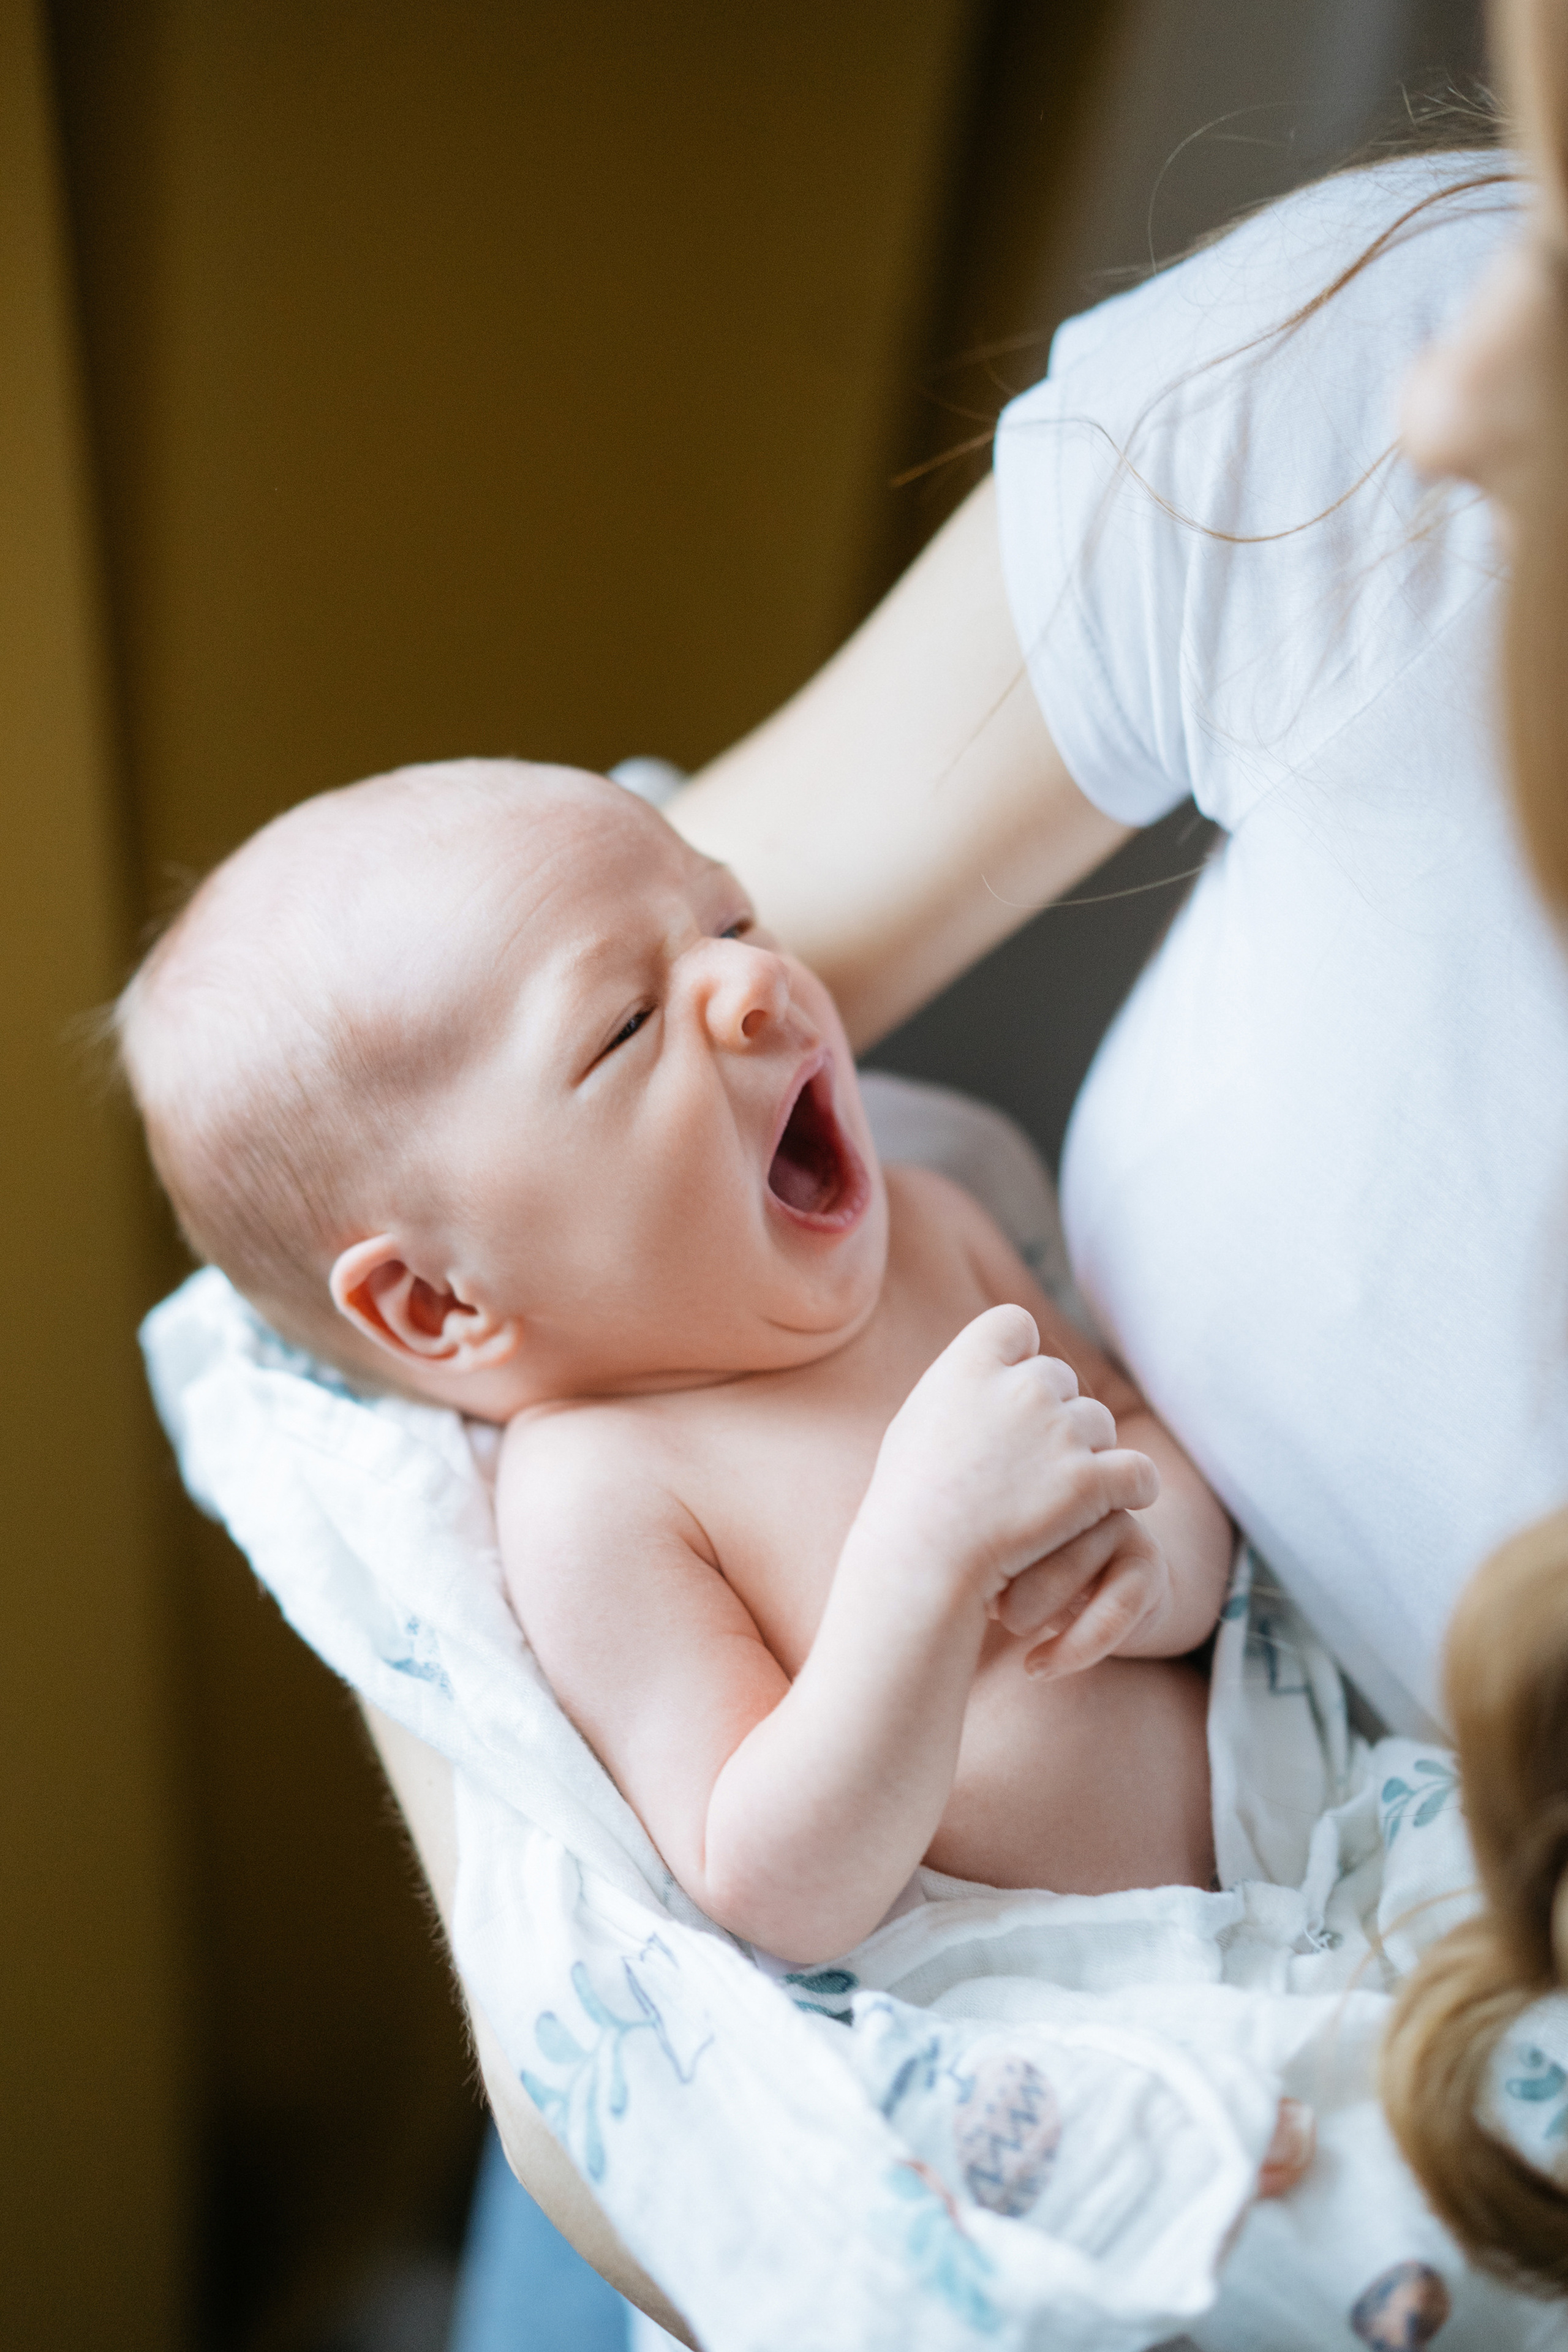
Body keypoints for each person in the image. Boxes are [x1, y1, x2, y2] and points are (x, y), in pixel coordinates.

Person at [118, 758, 1237, 1960]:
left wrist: (1143, 1563)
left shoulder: (934, 1232)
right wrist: (917, 1570)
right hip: (1055, 2005)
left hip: (1300, 1863)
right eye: (624, 1027)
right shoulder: (600, 1490)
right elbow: (769, 1882)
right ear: (441, 1302)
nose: (754, 980)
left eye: (729, 917)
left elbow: (1149, 1451)